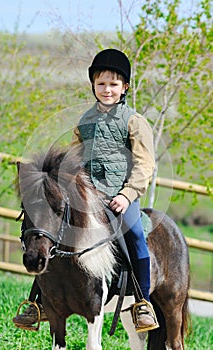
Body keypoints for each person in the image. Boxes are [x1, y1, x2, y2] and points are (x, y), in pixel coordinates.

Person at [13, 48, 158, 333]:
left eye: (114, 84)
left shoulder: (134, 121)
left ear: (125, 87)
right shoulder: (83, 121)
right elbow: (74, 160)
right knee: (53, 233)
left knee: (134, 235)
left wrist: (127, 195)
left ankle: (142, 302)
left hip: (121, 195)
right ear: (93, 85)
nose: (107, 89)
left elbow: (145, 164)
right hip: (88, 194)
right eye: (101, 83)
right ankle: (39, 301)